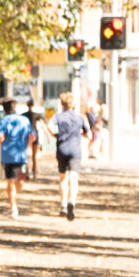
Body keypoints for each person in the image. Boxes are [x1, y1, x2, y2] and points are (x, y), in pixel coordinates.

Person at [48, 91, 91, 221]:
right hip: (75, 150)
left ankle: (63, 205)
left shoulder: (58, 116)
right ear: (73, 104)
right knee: (74, 178)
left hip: (62, 149)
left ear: (61, 104)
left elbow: (49, 126)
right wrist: (80, 134)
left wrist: (55, 136)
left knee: (62, 178)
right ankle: (72, 201)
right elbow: (89, 135)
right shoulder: (80, 117)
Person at [0, 97, 35, 219]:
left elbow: (1, 137)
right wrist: (29, 148)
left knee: (11, 181)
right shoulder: (25, 120)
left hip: (8, 156)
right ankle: (13, 207)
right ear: (15, 107)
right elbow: (31, 137)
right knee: (20, 181)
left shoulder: (3, 121)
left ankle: (13, 203)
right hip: (21, 156)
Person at [22, 96, 43, 179]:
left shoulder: (23, 115)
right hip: (35, 135)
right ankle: (34, 173)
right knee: (34, 155)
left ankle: (27, 171)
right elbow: (43, 125)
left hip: (26, 135)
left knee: (28, 154)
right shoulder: (37, 115)